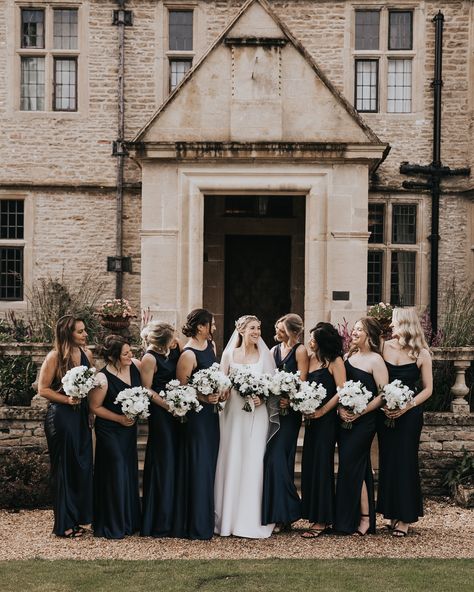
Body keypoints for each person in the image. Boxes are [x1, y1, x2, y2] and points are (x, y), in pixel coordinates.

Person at [214, 315, 277, 538]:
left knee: (253, 460)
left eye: (259, 328)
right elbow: (222, 384)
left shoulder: (265, 355)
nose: (257, 332)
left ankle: (250, 519)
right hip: (233, 415)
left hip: (257, 416)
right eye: (252, 328)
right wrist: (223, 391)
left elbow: (272, 385)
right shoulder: (229, 354)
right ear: (241, 330)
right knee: (232, 458)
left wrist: (262, 396)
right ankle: (228, 518)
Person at [377, 307, 433, 537]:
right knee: (388, 460)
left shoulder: (422, 353)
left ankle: (406, 518)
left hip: (409, 416)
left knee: (405, 461)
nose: (390, 325)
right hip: (386, 413)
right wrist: (386, 405)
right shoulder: (383, 347)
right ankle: (391, 513)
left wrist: (407, 406)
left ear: (405, 324)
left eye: (394, 322)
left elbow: (428, 389)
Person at [39, 315, 94, 538]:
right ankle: (63, 524)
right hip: (61, 417)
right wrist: (67, 400)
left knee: (81, 466)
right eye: (80, 331)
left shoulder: (86, 354)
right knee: (63, 469)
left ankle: (80, 517)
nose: (85, 334)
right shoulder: (54, 357)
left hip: (80, 417)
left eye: (84, 330)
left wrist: (90, 412)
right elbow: (43, 389)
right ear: (67, 334)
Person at [334, 317, 388, 536]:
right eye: (354, 329)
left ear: (369, 335)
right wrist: (340, 409)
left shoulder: (376, 360)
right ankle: (357, 519)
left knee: (350, 465)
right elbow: (339, 389)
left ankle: (362, 519)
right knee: (357, 466)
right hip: (345, 419)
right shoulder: (348, 357)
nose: (354, 333)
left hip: (365, 422)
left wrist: (360, 412)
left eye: (359, 330)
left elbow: (383, 394)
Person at [89, 335, 141, 539]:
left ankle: (128, 521)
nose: (131, 355)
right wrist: (119, 419)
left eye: (130, 351)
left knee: (128, 470)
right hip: (109, 430)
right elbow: (94, 407)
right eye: (126, 353)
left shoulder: (135, 366)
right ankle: (112, 523)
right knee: (116, 470)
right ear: (113, 357)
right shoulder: (102, 378)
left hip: (128, 430)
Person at [174, 309, 220, 540]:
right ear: (201, 327)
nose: (213, 328)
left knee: (209, 465)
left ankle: (207, 520)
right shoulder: (188, 354)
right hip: (196, 418)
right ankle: (196, 524)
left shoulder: (211, 348)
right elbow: (180, 388)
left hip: (212, 417)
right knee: (199, 465)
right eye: (211, 324)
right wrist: (202, 397)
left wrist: (221, 391)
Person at [262, 313, 308, 532]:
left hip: (289, 415)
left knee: (278, 459)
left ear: (294, 331)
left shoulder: (300, 351)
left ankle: (287, 510)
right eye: (277, 327)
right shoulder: (273, 351)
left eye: (282, 329)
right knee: (274, 459)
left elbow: (303, 382)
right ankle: (282, 514)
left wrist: (289, 399)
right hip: (273, 412)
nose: (278, 332)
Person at [301, 322, 346, 538]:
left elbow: (342, 391)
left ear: (321, 342)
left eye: (312, 338)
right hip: (311, 420)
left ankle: (323, 518)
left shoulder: (334, 361)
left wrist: (322, 411)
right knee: (310, 464)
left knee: (322, 465)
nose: (309, 342)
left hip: (327, 421)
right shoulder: (310, 359)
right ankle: (312, 513)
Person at [140, 321, 181, 537]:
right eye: (172, 337)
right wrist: (168, 406)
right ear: (163, 341)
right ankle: (159, 519)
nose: (176, 339)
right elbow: (146, 389)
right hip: (160, 413)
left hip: (177, 411)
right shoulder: (149, 358)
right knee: (163, 460)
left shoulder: (174, 349)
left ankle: (175, 514)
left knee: (174, 459)